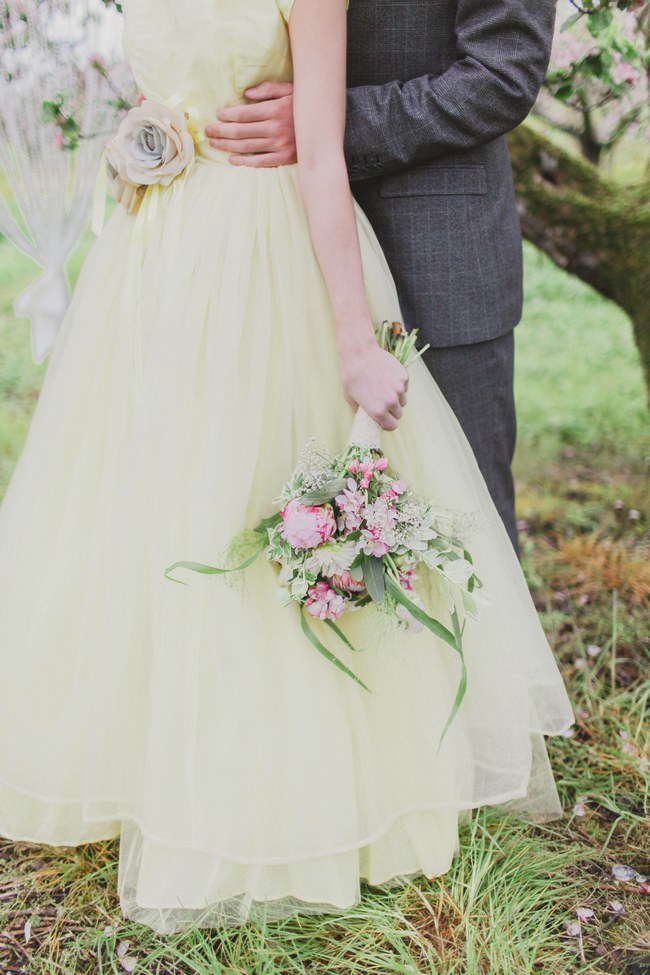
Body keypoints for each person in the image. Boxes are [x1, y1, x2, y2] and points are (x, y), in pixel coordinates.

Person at [0, 0, 574, 934]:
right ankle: (241, 768)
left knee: (449, 520)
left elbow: (504, 74)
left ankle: (447, 766)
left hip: (422, 227)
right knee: (228, 513)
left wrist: (321, 120)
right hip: (231, 247)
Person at [204, 0, 559, 554]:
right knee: (307, 537)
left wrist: (325, 123)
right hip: (284, 259)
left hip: (438, 261)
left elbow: (501, 76)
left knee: (466, 539)